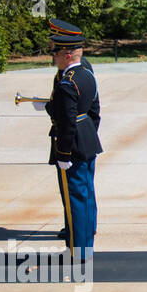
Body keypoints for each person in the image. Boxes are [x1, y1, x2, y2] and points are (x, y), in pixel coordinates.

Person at [43, 20, 102, 260]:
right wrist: (89, 133)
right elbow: (94, 111)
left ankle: (77, 252)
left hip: (72, 147)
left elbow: (66, 122)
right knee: (86, 195)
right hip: (87, 141)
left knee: (75, 199)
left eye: (56, 51)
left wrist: (63, 154)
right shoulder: (86, 74)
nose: (54, 56)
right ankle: (85, 246)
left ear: (67, 53)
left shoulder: (68, 82)